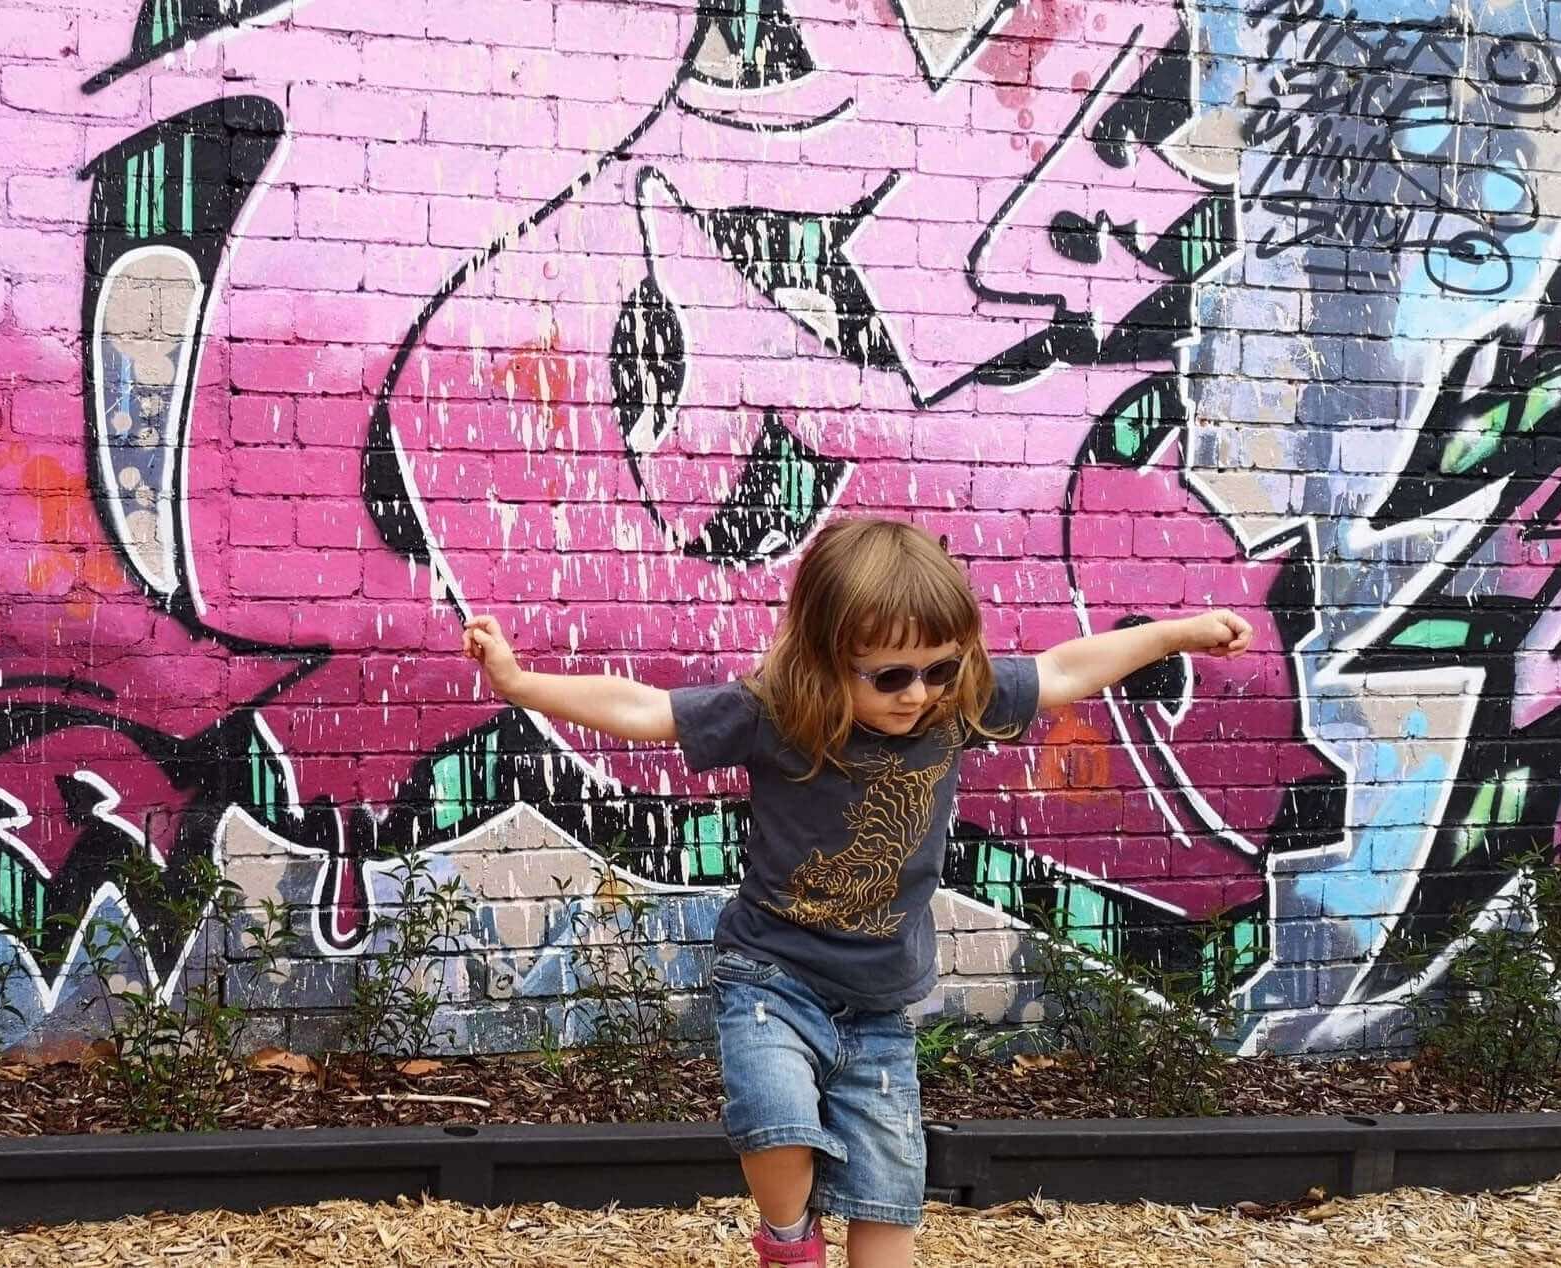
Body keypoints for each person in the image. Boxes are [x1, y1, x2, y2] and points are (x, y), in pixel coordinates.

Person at [458, 518, 1253, 1267]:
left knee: (888, 1201)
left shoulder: (956, 705)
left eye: (940, 669)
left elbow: (1067, 669)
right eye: (892, 676)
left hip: (878, 1005)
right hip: (773, 977)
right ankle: (788, 1236)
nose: (919, 693)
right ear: (829, 658)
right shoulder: (779, 713)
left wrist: (1177, 635)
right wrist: (521, 683)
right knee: (776, 1128)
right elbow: (643, 710)